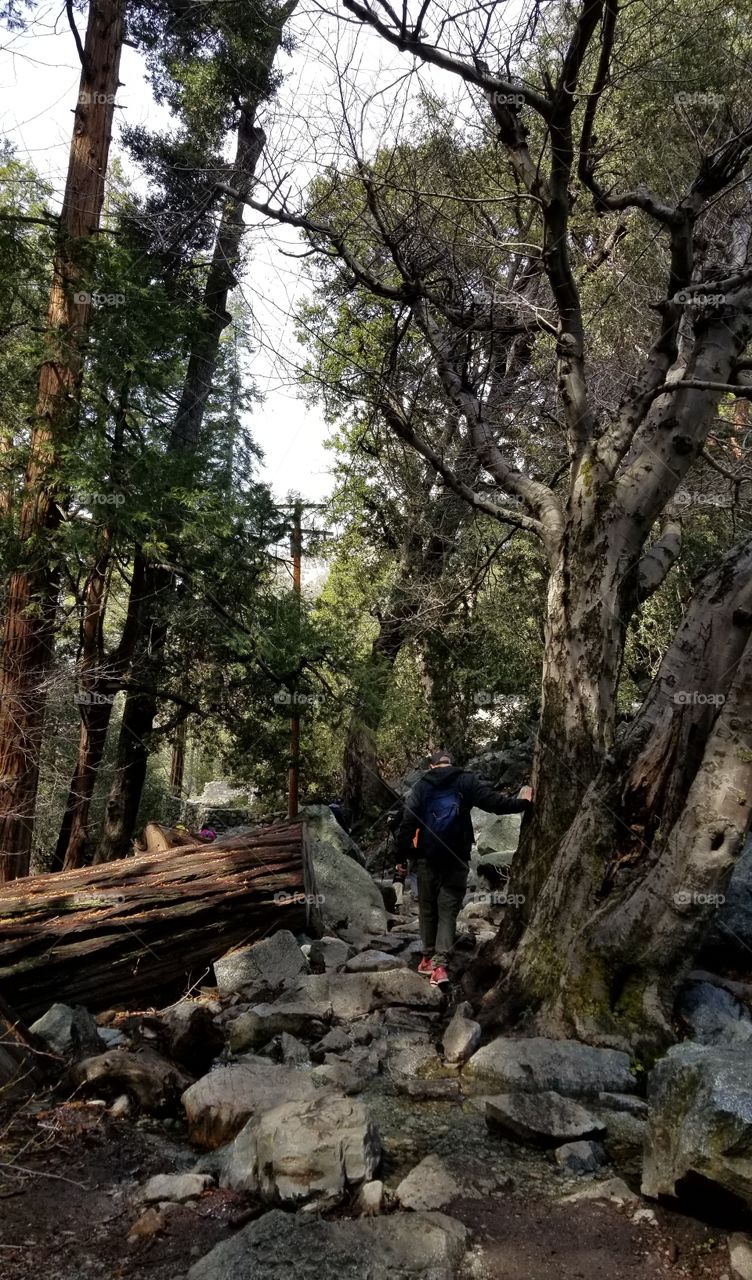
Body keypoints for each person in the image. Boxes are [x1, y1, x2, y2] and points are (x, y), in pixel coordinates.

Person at [394, 749, 533, 987]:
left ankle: (427, 958)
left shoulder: (421, 786)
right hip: (456, 858)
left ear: (431, 766)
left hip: (426, 859)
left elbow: (408, 823)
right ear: (451, 764)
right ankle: (440, 967)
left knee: (427, 909)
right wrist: (524, 803)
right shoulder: (465, 780)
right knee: (447, 911)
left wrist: (400, 858)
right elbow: (494, 804)